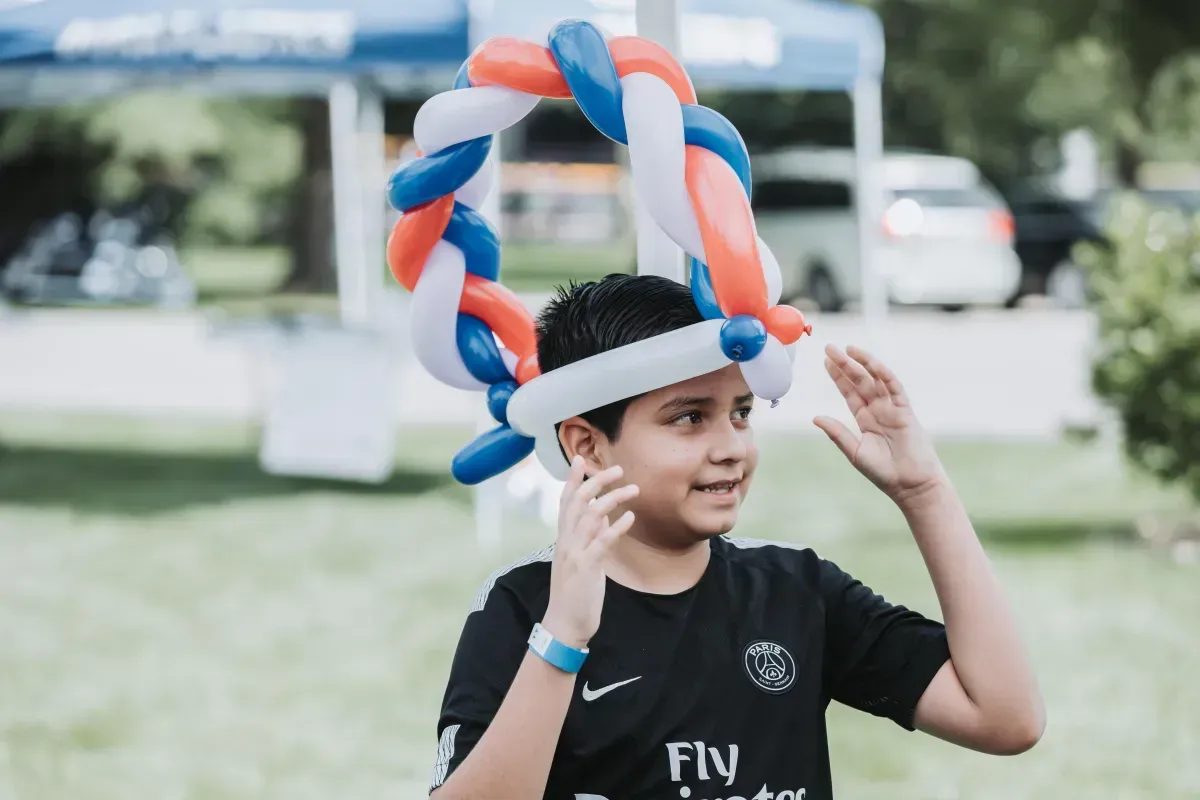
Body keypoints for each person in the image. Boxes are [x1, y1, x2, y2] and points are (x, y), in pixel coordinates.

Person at [428, 275, 1044, 800]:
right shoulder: (522, 605)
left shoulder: (797, 593)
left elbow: (1005, 718)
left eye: (741, 413)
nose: (731, 448)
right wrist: (563, 636)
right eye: (689, 417)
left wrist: (924, 493)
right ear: (586, 444)